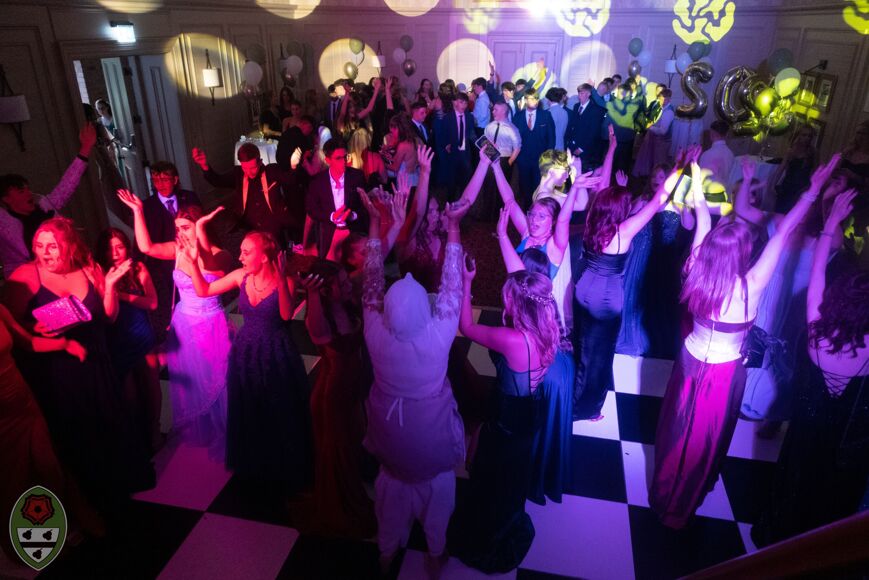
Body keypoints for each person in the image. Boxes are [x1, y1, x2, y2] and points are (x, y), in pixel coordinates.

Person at [648, 155, 841, 529]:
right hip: (723, 376)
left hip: (688, 364)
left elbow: (703, 217)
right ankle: (682, 506)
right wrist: (813, 191)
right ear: (742, 254)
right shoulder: (750, 287)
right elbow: (783, 234)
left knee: (676, 429)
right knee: (704, 441)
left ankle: (664, 492)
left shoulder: (695, 267)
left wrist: (693, 172)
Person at [4, 217, 155, 512]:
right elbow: (9, 327)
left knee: (108, 426)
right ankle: (87, 502)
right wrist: (35, 327)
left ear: (69, 245)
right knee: (76, 435)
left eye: (52, 246)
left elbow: (109, 317)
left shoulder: (88, 268)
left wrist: (109, 285)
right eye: (39, 245)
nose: (44, 252)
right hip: (59, 370)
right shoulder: (26, 275)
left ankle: (116, 492)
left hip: (97, 362)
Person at [752, 188, 869, 546]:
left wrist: (831, 221)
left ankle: (777, 540)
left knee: (793, 482)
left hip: (804, 432)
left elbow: (818, 270)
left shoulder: (817, 329)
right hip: (842, 444)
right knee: (828, 493)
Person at [361, 188, 469, 578]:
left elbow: (372, 280)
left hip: (389, 443)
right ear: (424, 309)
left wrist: (375, 221)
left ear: (389, 311)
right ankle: (435, 552)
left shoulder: (375, 332)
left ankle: (386, 552)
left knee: (390, 494)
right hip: (431, 448)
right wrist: (453, 229)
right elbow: (453, 287)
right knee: (439, 493)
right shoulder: (437, 337)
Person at [452, 266, 573, 572]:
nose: (503, 301)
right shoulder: (549, 328)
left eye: (507, 298)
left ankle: (490, 532)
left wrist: (466, 283)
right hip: (531, 411)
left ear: (518, 304)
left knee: (492, 473)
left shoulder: (513, 340)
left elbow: (466, 326)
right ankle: (508, 517)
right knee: (512, 473)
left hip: (507, 418)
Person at [184, 231, 313, 490]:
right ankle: (255, 468)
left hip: (275, 354)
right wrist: (193, 264)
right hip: (246, 353)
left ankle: (282, 469)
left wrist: (281, 277)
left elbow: (286, 315)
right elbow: (203, 290)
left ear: (264, 257)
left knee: (278, 409)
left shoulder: (285, 281)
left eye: (246, 252)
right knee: (249, 408)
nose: (240, 257)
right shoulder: (240, 277)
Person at [118, 190, 232, 459]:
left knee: (216, 379)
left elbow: (209, 264)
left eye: (186, 227)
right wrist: (137, 212)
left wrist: (198, 240)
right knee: (192, 381)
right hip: (184, 323)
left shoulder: (220, 254)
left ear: (200, 226)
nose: (180, 233)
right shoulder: (177, 249)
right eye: (177, 228)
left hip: (210, 323)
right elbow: (146, 248)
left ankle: (225, 431)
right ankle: (202, 428)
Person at [573, 163, 680, 421]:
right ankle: (586, 408)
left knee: (583, 346)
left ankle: (573, 394)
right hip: (606, 299)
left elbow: (603, 193)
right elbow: (658, 201)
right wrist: (678, 168)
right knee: (600, 356)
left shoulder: (592, 220)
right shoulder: (623, 232)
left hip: (583, 288)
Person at [0, 302, 105, 559]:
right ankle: (27, 540)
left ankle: (56, 526)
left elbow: (28, 342)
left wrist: (65, 344)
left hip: (22, 402)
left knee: (49, 467)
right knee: (12, 478)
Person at [298, 260, 376, 538]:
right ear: (324, 291)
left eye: (345, 281)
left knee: (351, 445)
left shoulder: (345, 301)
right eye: (340, 284)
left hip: (351, 390)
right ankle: (340, 508)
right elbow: (319, 333)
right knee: (337, 452)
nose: (347, 285)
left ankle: (351, 488)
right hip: (332, 396)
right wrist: (312, 294)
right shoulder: (317, 318)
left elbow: (374, 263)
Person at [616, 163, 694, 359]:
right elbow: (624, 219)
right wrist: (622, 190)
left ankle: (654, 339)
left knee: (656, 300)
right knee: (634, 297)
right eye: (653, 177)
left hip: (662, 260)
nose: (656, 181)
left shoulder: (677, 204)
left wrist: (686, 199)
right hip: (638, 257)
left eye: (661, 177)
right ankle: (634, 337)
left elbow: (689, 225)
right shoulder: (644, 200)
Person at [95, 228, 161, 452]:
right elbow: (104, 313)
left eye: (120, 247)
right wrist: (109, 286)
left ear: (127, 248)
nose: (115, 253)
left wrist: (120, 295)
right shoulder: (99, 272)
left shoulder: (138, 268)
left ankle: (155, 431)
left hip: (141, 334)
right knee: (129, 395)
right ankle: (137, 438)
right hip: (117, 339)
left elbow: (152, 303)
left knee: (152, 387)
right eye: (109, 249)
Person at [0, 123, 96, 274]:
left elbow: (67, 185)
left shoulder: (45, 206)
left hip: (63, 270)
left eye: (28, 189)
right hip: (29, 278)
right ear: (6, 199)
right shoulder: (3, 222)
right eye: (21, 191)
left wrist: (86, 148)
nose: (28, 193)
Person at [141, 161, 202, 346]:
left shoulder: (189, 197)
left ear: (175, 180)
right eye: (156, 180)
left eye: (165, 179)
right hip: (163, 263)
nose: (160, 184)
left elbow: (201, 225)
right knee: (172, 298)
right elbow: (143, 239)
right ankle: (182, 334)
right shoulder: (147, 206)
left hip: (192, 257)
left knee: (196, 291)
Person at [192, 142, 296, 246]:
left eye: (253, 168)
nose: (249, 172)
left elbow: (290, 180)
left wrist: (294, 166)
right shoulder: (238, 174)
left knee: (277, 250)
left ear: (260, 162)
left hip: (272, 227)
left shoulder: (271, 171)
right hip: (249, 227)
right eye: (245, 168)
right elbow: (218, 181)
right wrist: (204, 165)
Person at [304, 137, 368, 258]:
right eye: (338, 158)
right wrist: (331, 216)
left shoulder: (357, 177)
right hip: (329, 234)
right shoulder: (318, 182)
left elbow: (365, 206)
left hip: (352, 233)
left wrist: (353, 215)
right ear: (328, 160)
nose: (343, 162)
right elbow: (311, 209)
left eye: (345, 157)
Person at [514, 88, 556, 207]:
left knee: (539, 187)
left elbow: (551, 139)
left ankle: (537, 208)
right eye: (532, 98)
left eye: (537, 98)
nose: (535, 101)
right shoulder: (518, 117)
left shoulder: (546, 115)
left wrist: (547, 159)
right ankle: (527, 209)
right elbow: (514, 139)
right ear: (525, 100)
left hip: (540, 160)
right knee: (524, 187)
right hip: (523, 160)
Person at [434, 92, 475, 200]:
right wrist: (446, 144)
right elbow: (442, 135)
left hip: (465, 153)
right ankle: (450, 202)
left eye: (466, 103)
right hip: (452, 153)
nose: (464, 106)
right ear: (455, 103)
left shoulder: (469, 117)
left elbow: (472, 134)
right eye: (461, 102)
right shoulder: (447, 118)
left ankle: (463, 200)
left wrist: (483, 144)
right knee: (451, 181)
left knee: (466, 179)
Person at [771, 125, 817, 214]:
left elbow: (816, 171)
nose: (807, 138)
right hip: (787, 186)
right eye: (804, 135)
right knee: (779, 212)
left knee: (794, 213)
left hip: (802, 187)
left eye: (809, 136)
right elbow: (781, 168)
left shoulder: (813, 152)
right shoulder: (791, 151)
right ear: (799, 135)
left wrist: (812, 188)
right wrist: (773, 184)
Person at [633, 89, 674, 178]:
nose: (662, 101)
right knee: (655, 163)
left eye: (664, 99)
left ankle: (657, 182)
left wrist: (649, 127)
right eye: (661, 99)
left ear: (669, 99)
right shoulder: (664, 109)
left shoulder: (669, 112)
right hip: (658, 140)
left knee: (659, 164)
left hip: (663, 142)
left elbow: (663, 131)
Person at [569, 83, 607, 170]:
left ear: (589, 94)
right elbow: (573, 126)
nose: (579, 95)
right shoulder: (576, 106)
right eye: (579, 93)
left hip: (585, 149)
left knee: (582, 172)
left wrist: (581, 148)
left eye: (582, 93)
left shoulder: (596, 110)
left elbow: (594, 132)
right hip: (573, 146)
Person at [698, 120, 735, 193]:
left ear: (711, 134)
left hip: (710, 193)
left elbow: (701, 179)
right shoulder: (731, 154)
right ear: (726, 134)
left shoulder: (707, 155)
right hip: (726, 193)